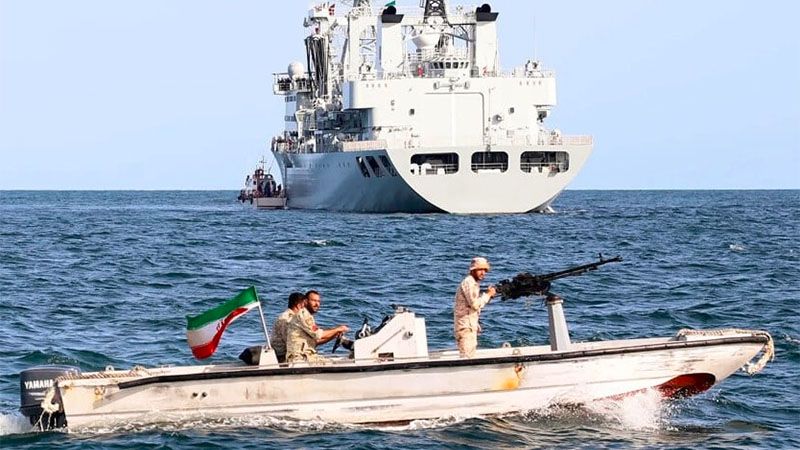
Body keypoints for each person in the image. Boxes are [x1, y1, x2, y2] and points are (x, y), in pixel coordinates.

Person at [286, 290, 349, 364]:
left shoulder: (307, 315)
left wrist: (334, 335)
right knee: (337, 364)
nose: (317, 304)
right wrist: (338, 329)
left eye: (319, 301)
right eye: (314, 301)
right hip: (300, 359)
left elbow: (316, 341)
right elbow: (319, 334)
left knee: (339, 361)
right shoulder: (304, 315)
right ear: (306, 301)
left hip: (306, 357)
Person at [454, 257, 496, 358]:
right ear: (473, 270)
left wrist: (475, 322)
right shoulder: (469, 283)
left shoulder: (473, 283)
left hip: (468, 325)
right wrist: (488, 295)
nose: (483, 273)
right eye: (480, 270)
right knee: (467, 357)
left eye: (485, 270)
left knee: (470, 355)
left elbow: (469, 307)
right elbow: (475, 304)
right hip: (465, 327)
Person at [269, 292, 306, 363]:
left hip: (286, 353)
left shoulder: (293, 318)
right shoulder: (287, 319)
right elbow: (290, 342)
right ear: (299, 305)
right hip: (281, 356)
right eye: (304, 305)